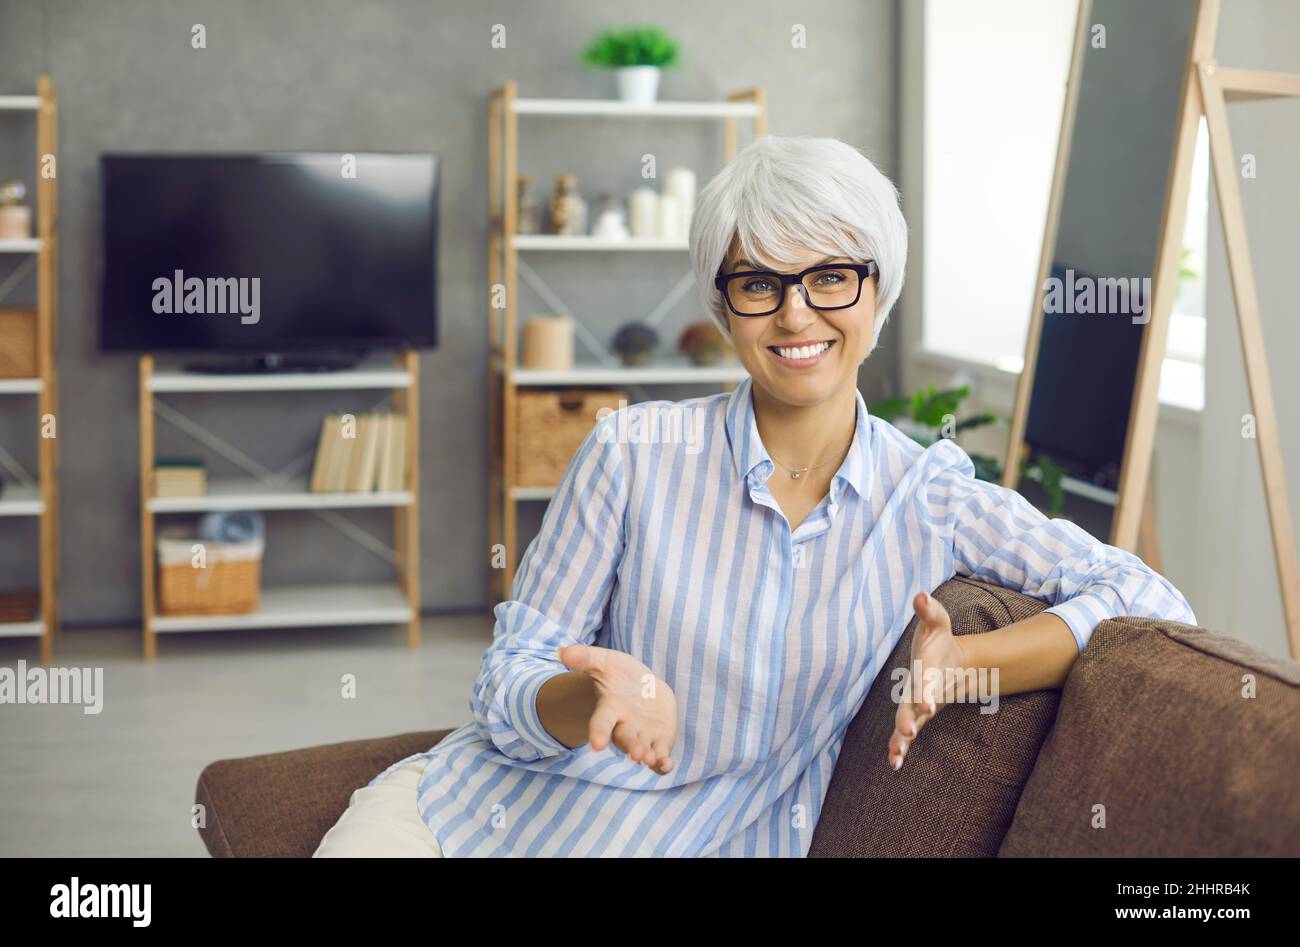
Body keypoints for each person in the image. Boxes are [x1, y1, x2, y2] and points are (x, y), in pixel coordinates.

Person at [315, 135, 1195, 858]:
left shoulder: (930, 496)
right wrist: (595, 701)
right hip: (463, 819)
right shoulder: (631, 451)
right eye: (759, 283)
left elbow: (1148, 598)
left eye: (829, 276)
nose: (797, 314)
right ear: (725, 306)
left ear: (876, 288)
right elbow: (507, 678)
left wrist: (970, 665)